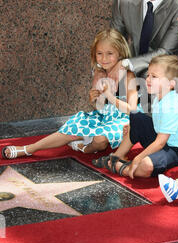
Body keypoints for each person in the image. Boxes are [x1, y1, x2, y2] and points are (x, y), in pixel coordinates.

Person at [2, 29, 139, 159]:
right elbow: (101, 108)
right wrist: (94, 101)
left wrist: (110, 96)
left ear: (120, 54)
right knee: (71, 128)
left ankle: (86, 146)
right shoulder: (99, 74)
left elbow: (132, 110)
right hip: (104, 119)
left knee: (100, 139)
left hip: (124, 121)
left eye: (110, 53)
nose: (104, 58)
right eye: (99, 53)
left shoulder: (128, 76)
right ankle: (29, 149)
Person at [92, 55, 178, 178]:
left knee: (146, 164)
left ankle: (125, 169)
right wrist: (134, 127)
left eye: (154, 77)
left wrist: (139, 157)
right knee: (136, 116)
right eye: (148, 75)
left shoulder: (171, 106)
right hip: (165, 140)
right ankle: (117, 156)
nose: (148, 79)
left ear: (170, 84)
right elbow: (141, 117)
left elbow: (160, 142)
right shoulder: (159, 97)